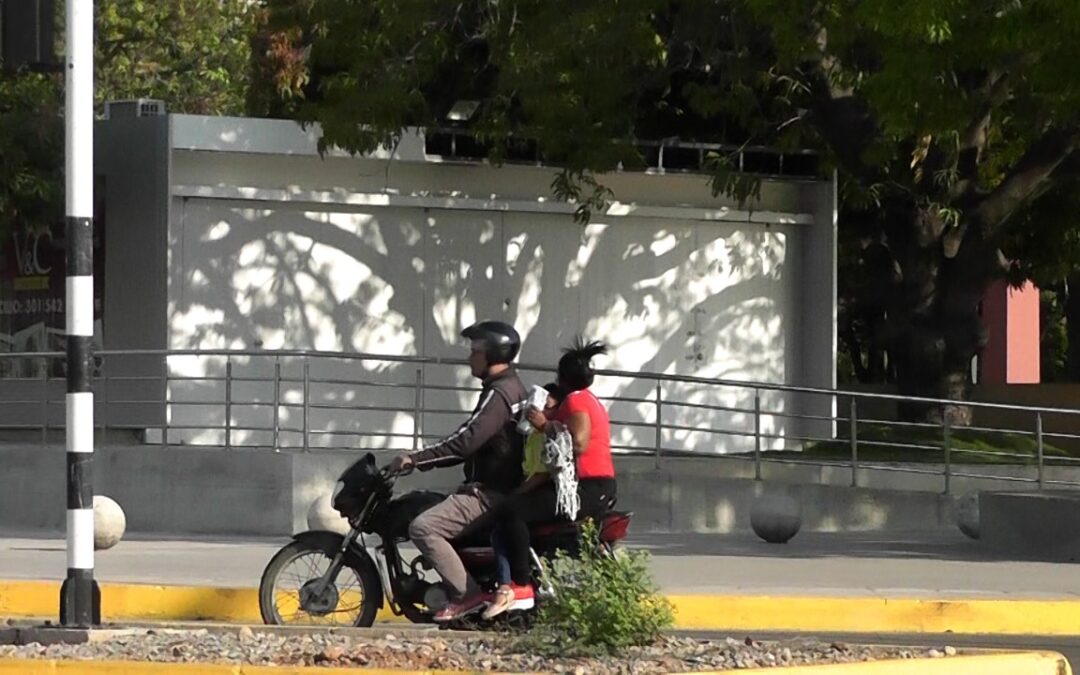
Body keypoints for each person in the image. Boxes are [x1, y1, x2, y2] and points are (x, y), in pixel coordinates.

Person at [387, 320, 528, 621]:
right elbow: (469, 442)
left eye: (475, 351)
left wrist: (415, 458)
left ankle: (467, 596)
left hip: (490, 493)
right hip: (500, 489)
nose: (469, 357)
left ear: (491, 354)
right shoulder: (509, 387)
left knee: (423, 526)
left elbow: (465, 441)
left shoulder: (499, 394)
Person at [482, 337, 617, 619]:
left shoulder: (575, 401)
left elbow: (578, 443)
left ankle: (519, 584)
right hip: (600, 486)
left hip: (587, 488)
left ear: (561, 378)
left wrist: (545, 425)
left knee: (511, 510)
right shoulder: (593, 401)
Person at [482, 382, 565, 619]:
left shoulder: (547, 434)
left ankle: (511, 585)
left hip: (542, 494)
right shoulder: (530, 435)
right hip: (530, 490)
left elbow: (541, 474)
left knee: (501, 526)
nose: (537, 411)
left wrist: (516, 495)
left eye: (546, 407)